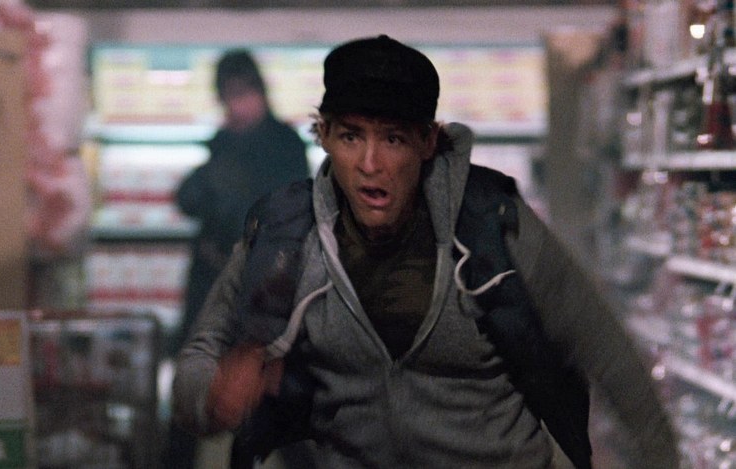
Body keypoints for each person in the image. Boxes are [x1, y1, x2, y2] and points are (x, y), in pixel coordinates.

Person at [171, 35, 681, 469]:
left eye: (393, 139)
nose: (370, 163)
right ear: (322, 135)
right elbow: (198, 358)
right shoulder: (287, 233)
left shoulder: (493, 228)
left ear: (428, 141)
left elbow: (607, 352)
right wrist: (212, 396)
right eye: (351, 136)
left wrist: (663, 460)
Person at [165, 49, 311, 469]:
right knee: (196, 383)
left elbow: (282, 211)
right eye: (230, 96)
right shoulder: (225, 142)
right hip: (215, 279)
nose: (237, 106)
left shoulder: (282, 145)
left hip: (270, 286)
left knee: (277, 385)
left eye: (243, 94)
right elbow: (188, 198)